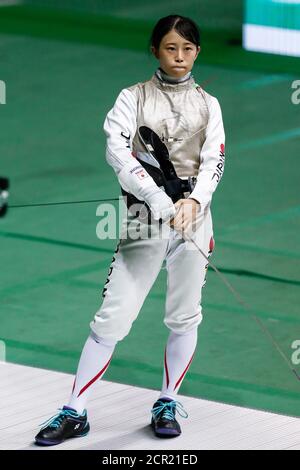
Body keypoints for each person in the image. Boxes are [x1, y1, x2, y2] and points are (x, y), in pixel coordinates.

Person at [35, 14, 225, 446]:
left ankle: (168, 399)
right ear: (155, 49)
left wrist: (195, 201)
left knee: (184, 314)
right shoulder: (132, 97)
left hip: (195, 223)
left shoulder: (209, 103)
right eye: (171, 48)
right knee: (112, 317)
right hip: (144, 220)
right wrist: (161, 202)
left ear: (197, 52)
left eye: (188, 49)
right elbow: (118, 153)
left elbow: (215, 158)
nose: (179, 57)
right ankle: (75, 410)